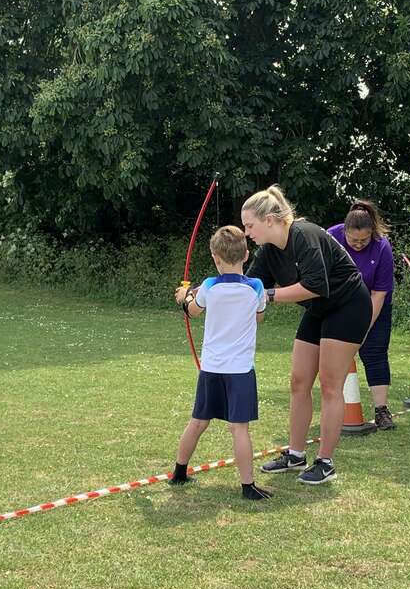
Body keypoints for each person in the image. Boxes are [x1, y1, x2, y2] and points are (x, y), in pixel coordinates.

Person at [242, 185, 371, 484]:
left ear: (270, 219)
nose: (247, 232)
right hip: (319, 309)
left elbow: (314, 285)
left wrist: (269, 295)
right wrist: (204, 292)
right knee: (299, 380)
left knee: (329, 384)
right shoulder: (268, 251)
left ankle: (325, 463)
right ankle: (296, 454)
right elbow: (247, 285)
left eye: (250, 225)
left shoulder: (303, 235)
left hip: (349, 305)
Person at [170, 225, 272, 500]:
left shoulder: (209, 286)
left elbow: (192, 311)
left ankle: (179, 472)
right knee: (239, 427)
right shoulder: (256, 287)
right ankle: (247, 486)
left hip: (212, 368)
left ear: (215, 257)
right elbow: (259, 316)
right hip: (239, 370)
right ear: (247, 255)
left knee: (198, 421)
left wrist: (184, 296)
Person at [327, 200, 397, 430]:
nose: (358, 245)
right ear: (344, 231)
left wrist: (364, 327)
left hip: (374, 304)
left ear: (371, 234)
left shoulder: (382, 247)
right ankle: (334, 408)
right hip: (339, 303)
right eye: (353, 240)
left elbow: (379, 294)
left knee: (375, 352)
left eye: (363, 241)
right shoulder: (330, 237)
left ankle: (381, 410)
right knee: (333, 357)